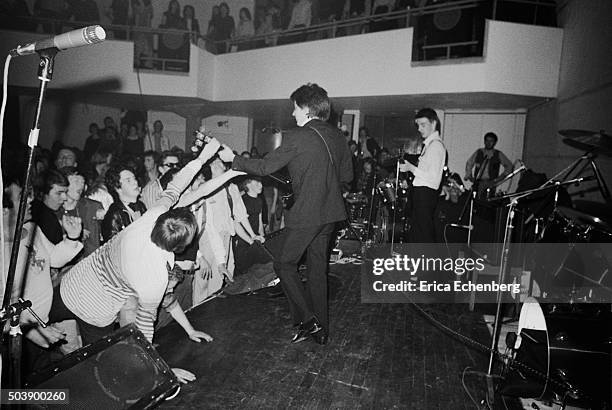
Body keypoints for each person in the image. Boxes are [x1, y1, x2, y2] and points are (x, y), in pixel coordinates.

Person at [49, 138, 243, 383]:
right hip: (95, 310)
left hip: (72, 283)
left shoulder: (152, 216)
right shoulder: (156, 276)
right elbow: (144, 332)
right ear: (181, 247)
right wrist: (164, 370)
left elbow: (181, 183)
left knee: (27, 319)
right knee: (98, 371)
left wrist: (207, 158)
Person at [218, 83, 353, 345]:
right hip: (331, 215)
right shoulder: (338, 137)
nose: (292, 114)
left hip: (307, 215)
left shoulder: (297, 136)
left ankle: (307, 320)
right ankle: (321, 330)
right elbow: (347, 176)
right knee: (317, 270)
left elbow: (265, 165)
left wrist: (233, 158)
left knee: (284, 264)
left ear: (305, 109)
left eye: (294, 108)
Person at [399, 108, 446, 243]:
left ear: (434, 123)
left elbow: (433, 179)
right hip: (421, 195)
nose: (419, 129)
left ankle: (426, 263)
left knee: (423, 235)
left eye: (423, 125)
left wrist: (411, 168)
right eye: (418, 125)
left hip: (426, 196)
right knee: (418, 234)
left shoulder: (436, 146)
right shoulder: (430, 145)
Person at [464, 132, 513, 198]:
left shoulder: (498, 154)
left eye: (491, 141)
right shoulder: (479, 152)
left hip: (490, 184)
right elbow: (469, 163)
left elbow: (509, 166)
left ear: (494, 143)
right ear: (484, 141)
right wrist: (469, 176)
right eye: (487, 140)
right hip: (478, 183)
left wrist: (499, 179)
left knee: (487, 203)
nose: (488, 143)